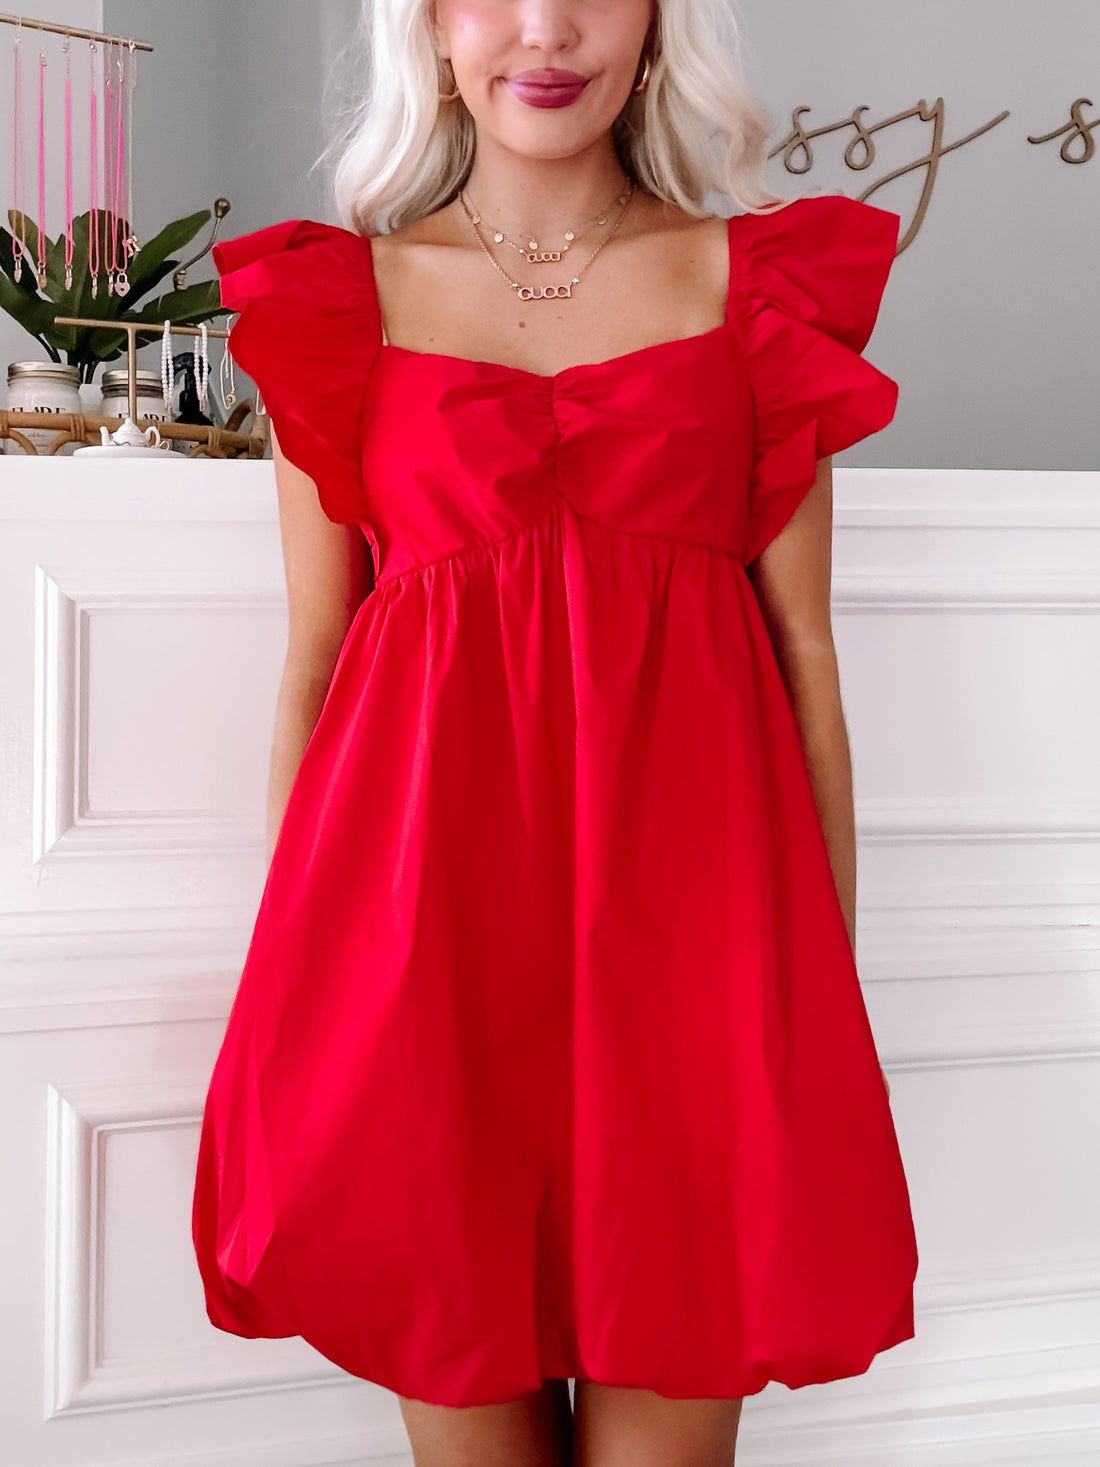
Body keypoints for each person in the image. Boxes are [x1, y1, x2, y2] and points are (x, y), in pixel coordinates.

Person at [191, 0, 920, 1462]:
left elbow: (807, 661)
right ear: (433, 27)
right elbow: (315, 665)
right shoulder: (342, 301)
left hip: (698, 979)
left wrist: (809, 998)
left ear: (658, 24)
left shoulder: (751, 289)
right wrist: (301, 983)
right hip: (427, 973)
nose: (546, 27)